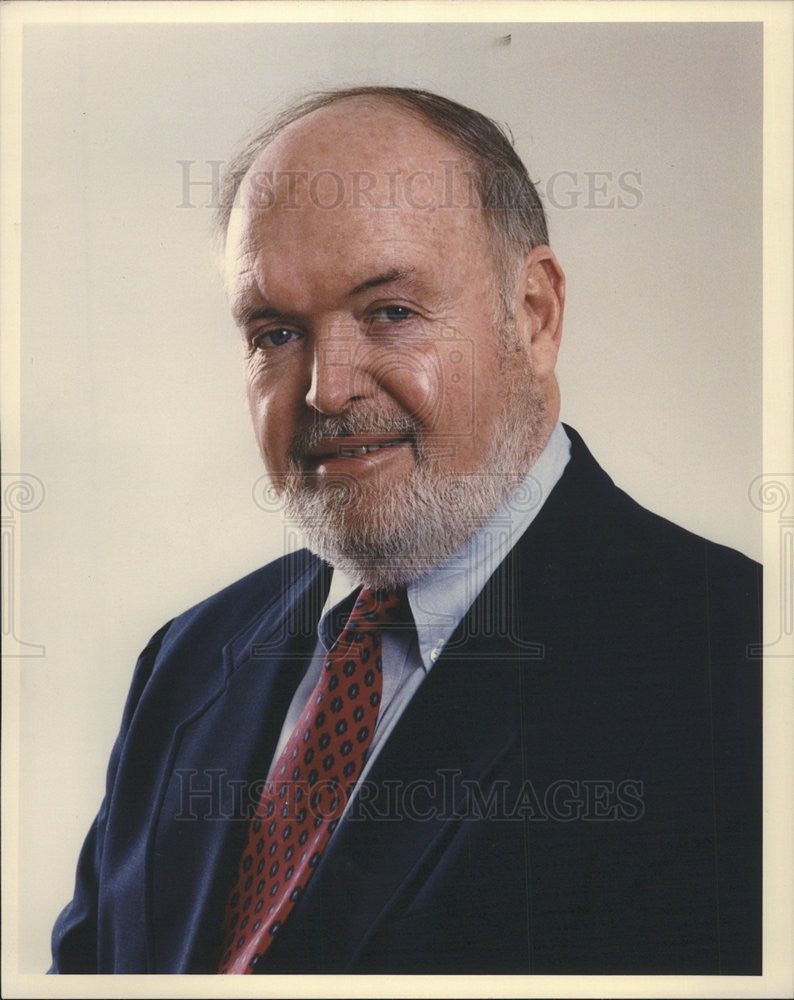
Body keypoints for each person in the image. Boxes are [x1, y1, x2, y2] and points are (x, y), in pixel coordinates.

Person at [49, 86, 761, 975]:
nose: (325, 389)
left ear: (534, 315)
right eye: (276, 332)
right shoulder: (188, 660)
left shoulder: (738, 666)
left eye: (390, 312)